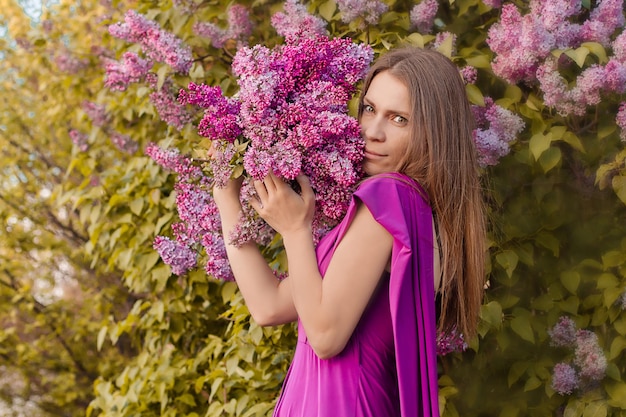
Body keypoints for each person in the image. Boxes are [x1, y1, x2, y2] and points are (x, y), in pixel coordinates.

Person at [212, 46, 486, 417]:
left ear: (434, 130)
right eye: (370, 109)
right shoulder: (416, 212)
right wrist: (226, 199)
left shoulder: (389, 197)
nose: (373, 132)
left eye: (399, 119)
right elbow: (270, 305)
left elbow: (325, 337)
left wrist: (296, 229)